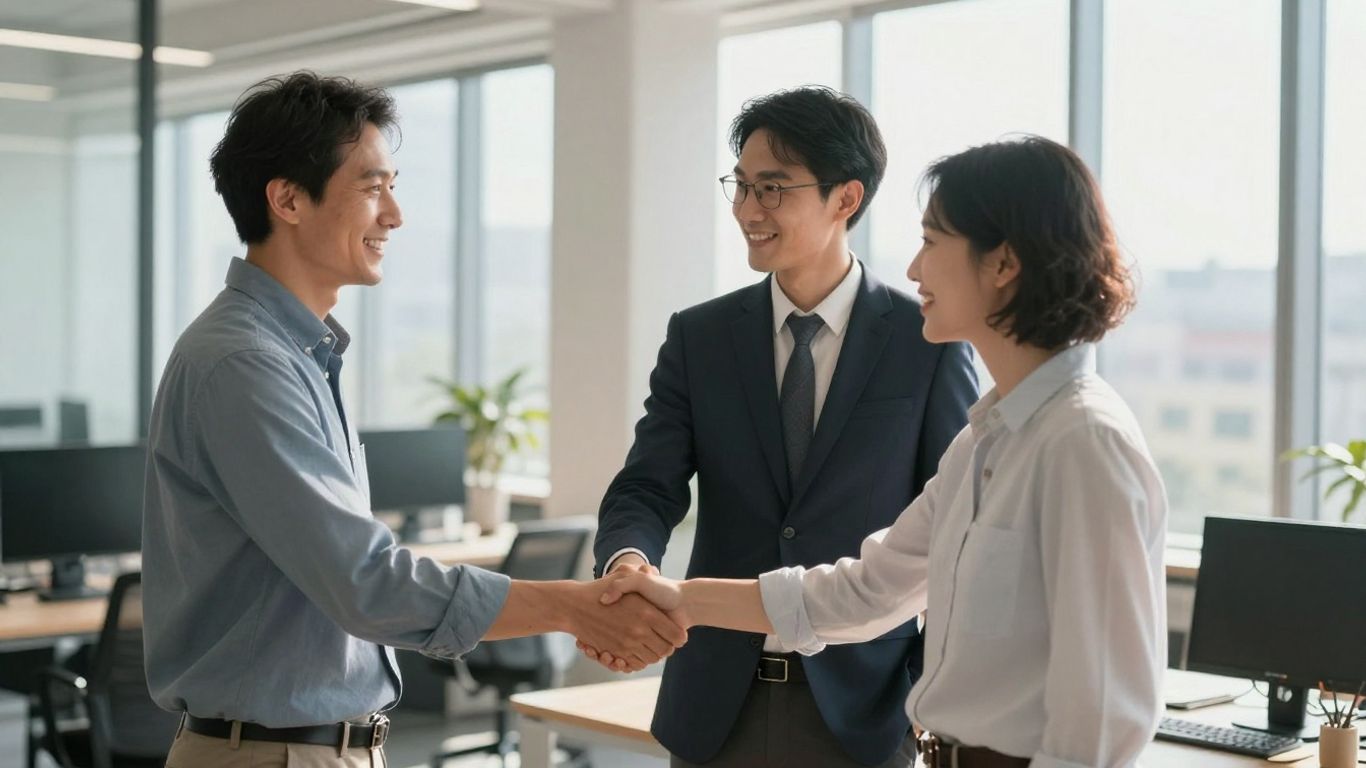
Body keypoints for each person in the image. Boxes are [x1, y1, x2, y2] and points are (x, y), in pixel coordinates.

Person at [142, 72, 685, 768]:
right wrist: (574, 606)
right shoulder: (244, 364)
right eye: (372, 187)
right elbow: (366, 583)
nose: (394, 214)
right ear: (287, 199)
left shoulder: (296, 353)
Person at [596, 136, 1168, 768]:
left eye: (931, 242)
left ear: (1002, 264)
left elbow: (1107, 719)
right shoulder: (984, 442)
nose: (915, 268)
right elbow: (867, 591)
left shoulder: (1085, 442)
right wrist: (681, 598)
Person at [587, 86, 978, 767]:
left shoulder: (929, 344)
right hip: (715, 704)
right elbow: (647, 487)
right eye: (739, 187)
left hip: (864, 710)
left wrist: (930, 696)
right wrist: (628, 564)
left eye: (772, 189)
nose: (746, 211)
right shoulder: (700, 337)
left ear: (845, 199)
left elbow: (953, 539)